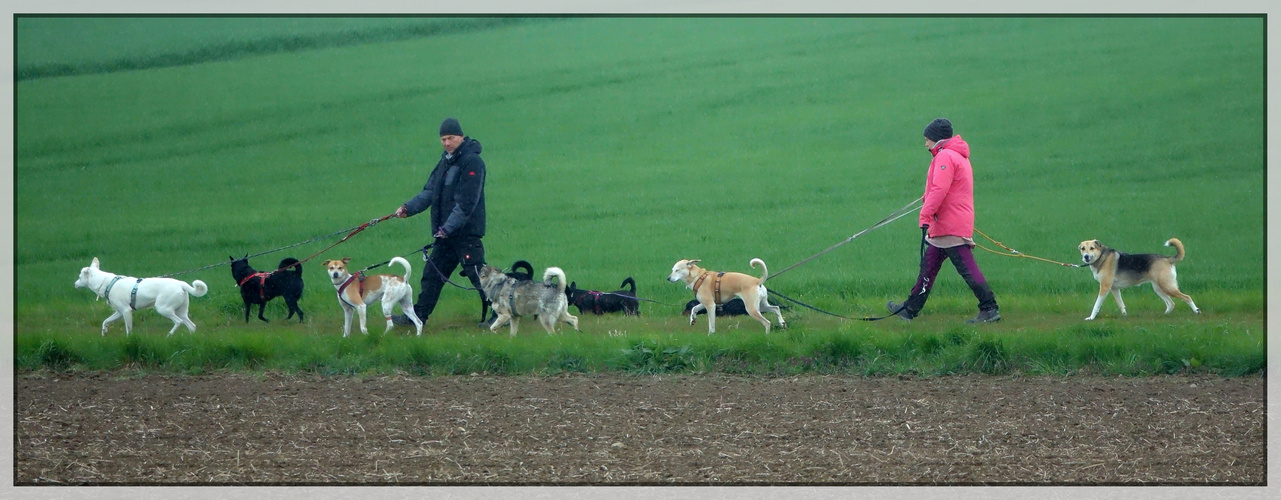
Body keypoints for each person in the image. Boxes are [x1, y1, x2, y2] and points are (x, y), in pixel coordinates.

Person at [887, 118, 1000, 323]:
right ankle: (910, 309)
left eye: (927, 139)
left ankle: (989, 308)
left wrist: (925, 214)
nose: (925, 143)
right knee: (928, 266)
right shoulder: (953, 155)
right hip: (946, 224)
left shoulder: (945, 156)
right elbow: (941, 188)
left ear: (936, 139)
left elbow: (940, 189)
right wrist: (927, 200)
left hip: (950, 225)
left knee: (966, 269)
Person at [391, 117, 489, 327]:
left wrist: (447, 228)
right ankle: (417, 318)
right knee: (432, 277)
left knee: (479, 276)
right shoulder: (445, 161)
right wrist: (408, 208)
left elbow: (466, 203)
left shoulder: (473, 163)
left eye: (450, 138)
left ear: (461, 137)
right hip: (445, 235)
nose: (446, 143)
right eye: (443, 139)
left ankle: (501, 316)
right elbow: (429, 192)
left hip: (465, 234)